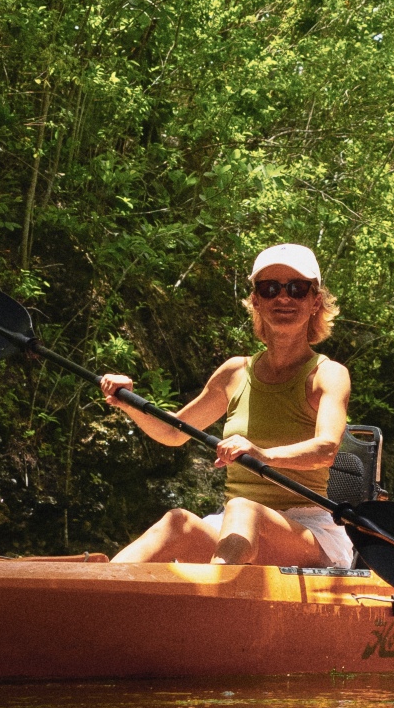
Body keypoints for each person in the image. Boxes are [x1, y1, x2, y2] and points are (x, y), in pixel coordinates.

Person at [102, 243, 360, 570]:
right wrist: (128, 401)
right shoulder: (234, 373)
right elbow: (172, 432)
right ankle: (91, 593)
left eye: (297, 288)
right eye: (269, 289)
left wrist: (263, 454)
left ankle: (213, 606)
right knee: (177, 522)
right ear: (255, 301)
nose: (283, 298)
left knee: (243, 509)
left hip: (310, 533)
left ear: (315, 301)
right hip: (235, 526)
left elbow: (325, 450)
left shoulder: (329, 374)